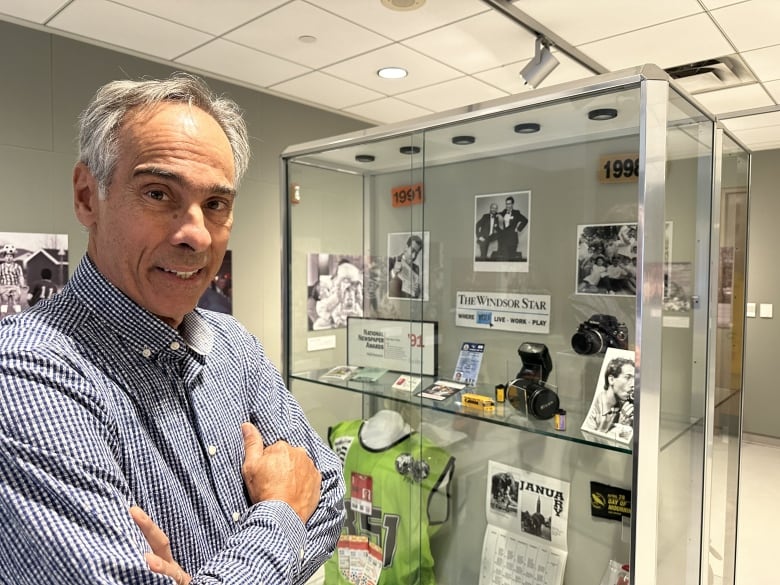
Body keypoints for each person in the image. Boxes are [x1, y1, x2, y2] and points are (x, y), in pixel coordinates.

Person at [0, 74, 344, 584]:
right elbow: (302, 503)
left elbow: (329, 493)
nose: (195, 235)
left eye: (216, 204)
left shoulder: (233, 344)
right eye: (158, 193)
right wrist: (281, 515)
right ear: (86, 197)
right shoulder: (28, 374)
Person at [582, 357, 635, 435]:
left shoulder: (627, 408)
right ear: (611, 380)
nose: (633, 384)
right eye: (628, 377)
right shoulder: (594, 407)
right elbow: (590, 439)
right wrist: (621, 427)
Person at [388, 234, 423, 298]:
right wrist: (393, 272)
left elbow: (416, 297)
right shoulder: (391, 261)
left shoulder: (416, 269)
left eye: (417, 253)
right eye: (412, 251)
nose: (414, 256)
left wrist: (417, 292)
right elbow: (382, 285)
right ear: (406, 248)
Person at [497, 196, 528, 260]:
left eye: (509, 204)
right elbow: (496, 215)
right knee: (505, 258)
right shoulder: (503, 212)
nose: (507, 205)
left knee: (511, 259)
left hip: (513, 240)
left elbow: (525, 220)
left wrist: (518, 228)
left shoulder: (516, 213)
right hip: (503, 240)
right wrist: (497, 215)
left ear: (512, 204)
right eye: (506, 204)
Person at [0, 244, 26, 317]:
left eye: (10, 256)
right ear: (4, 257)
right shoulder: (1, 267)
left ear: (13, 257)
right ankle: (3, 317)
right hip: (4, 286)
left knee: (16, 302)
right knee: (4, 302)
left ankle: (18, 317)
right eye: (7, 256)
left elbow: (20, 276)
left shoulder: (17, 266)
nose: (9, 258)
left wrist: (22, 284)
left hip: (15, 286)